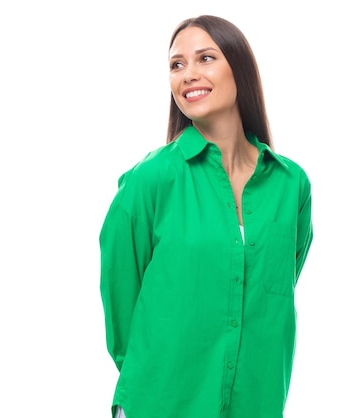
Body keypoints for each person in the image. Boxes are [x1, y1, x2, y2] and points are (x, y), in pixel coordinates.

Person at [99, 15, 313, 418]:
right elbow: (120, 295)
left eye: (205, 58)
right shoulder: (150, 180)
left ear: (240, 68)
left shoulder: (291, 185)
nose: (188, 75)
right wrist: (152, 380)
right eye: (176, 65)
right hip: (163, 403)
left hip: (258, 402)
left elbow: (280, 280)